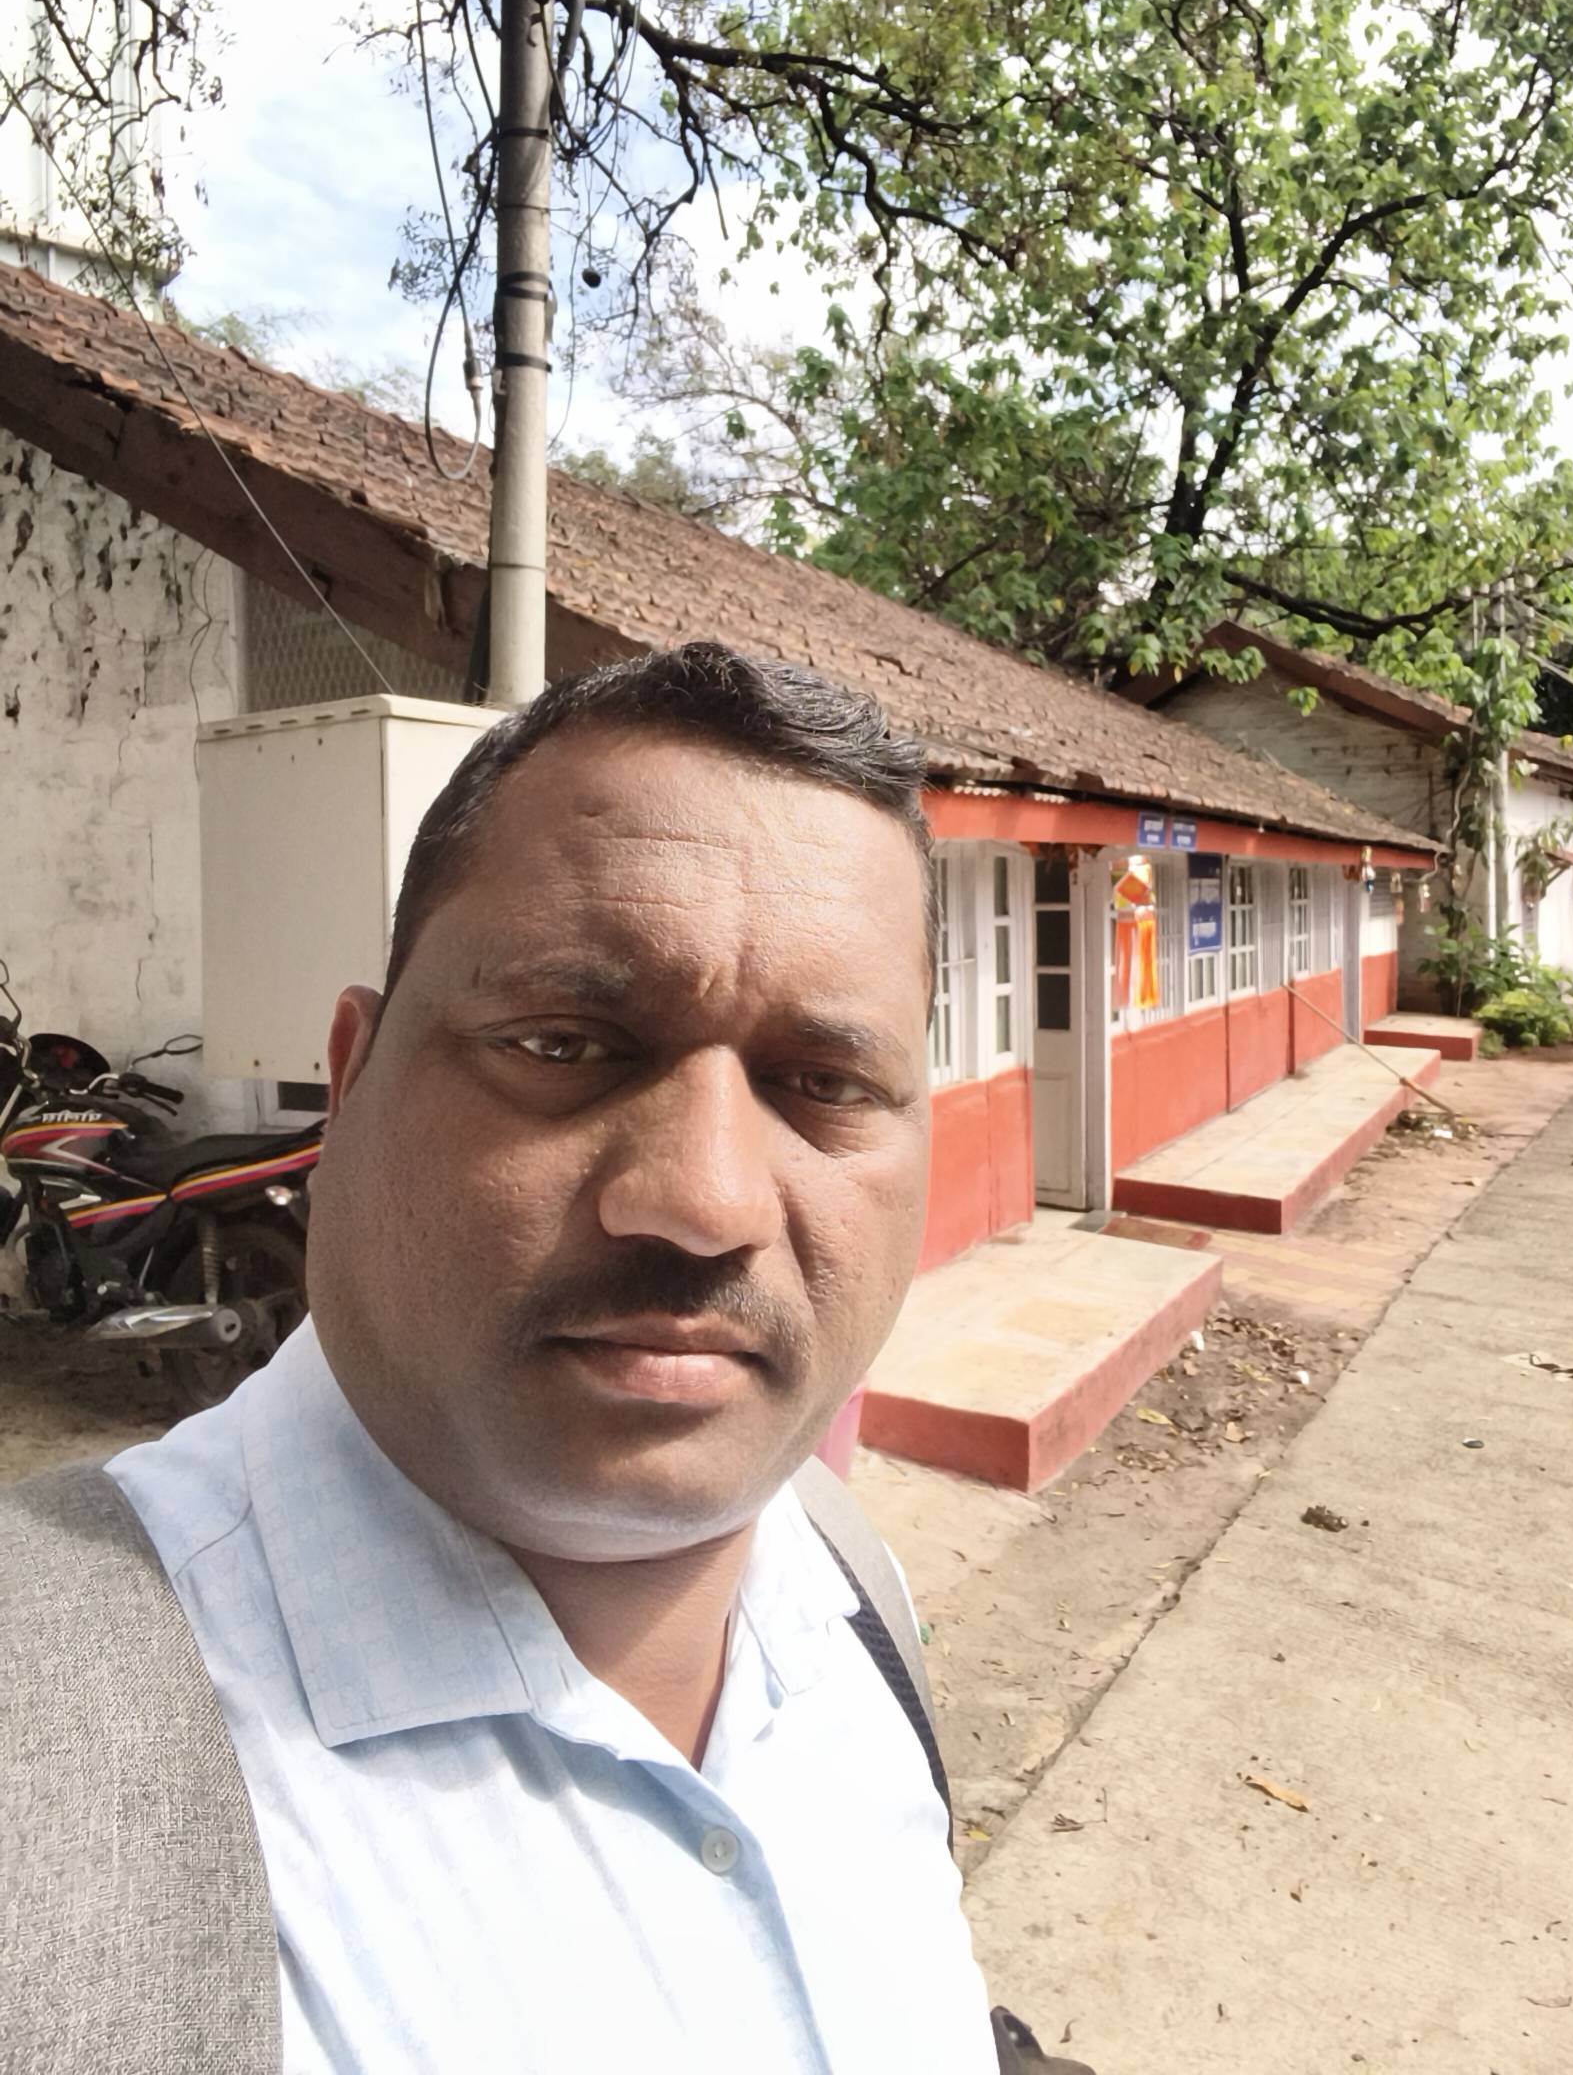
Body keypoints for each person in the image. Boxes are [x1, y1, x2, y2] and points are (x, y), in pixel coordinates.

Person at [1, 643, 1092, 2074]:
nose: (704, 1200)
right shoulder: (41, 1748)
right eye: (565, 1045)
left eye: (824, 1083)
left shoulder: (847, 1583)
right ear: (351, 1080)